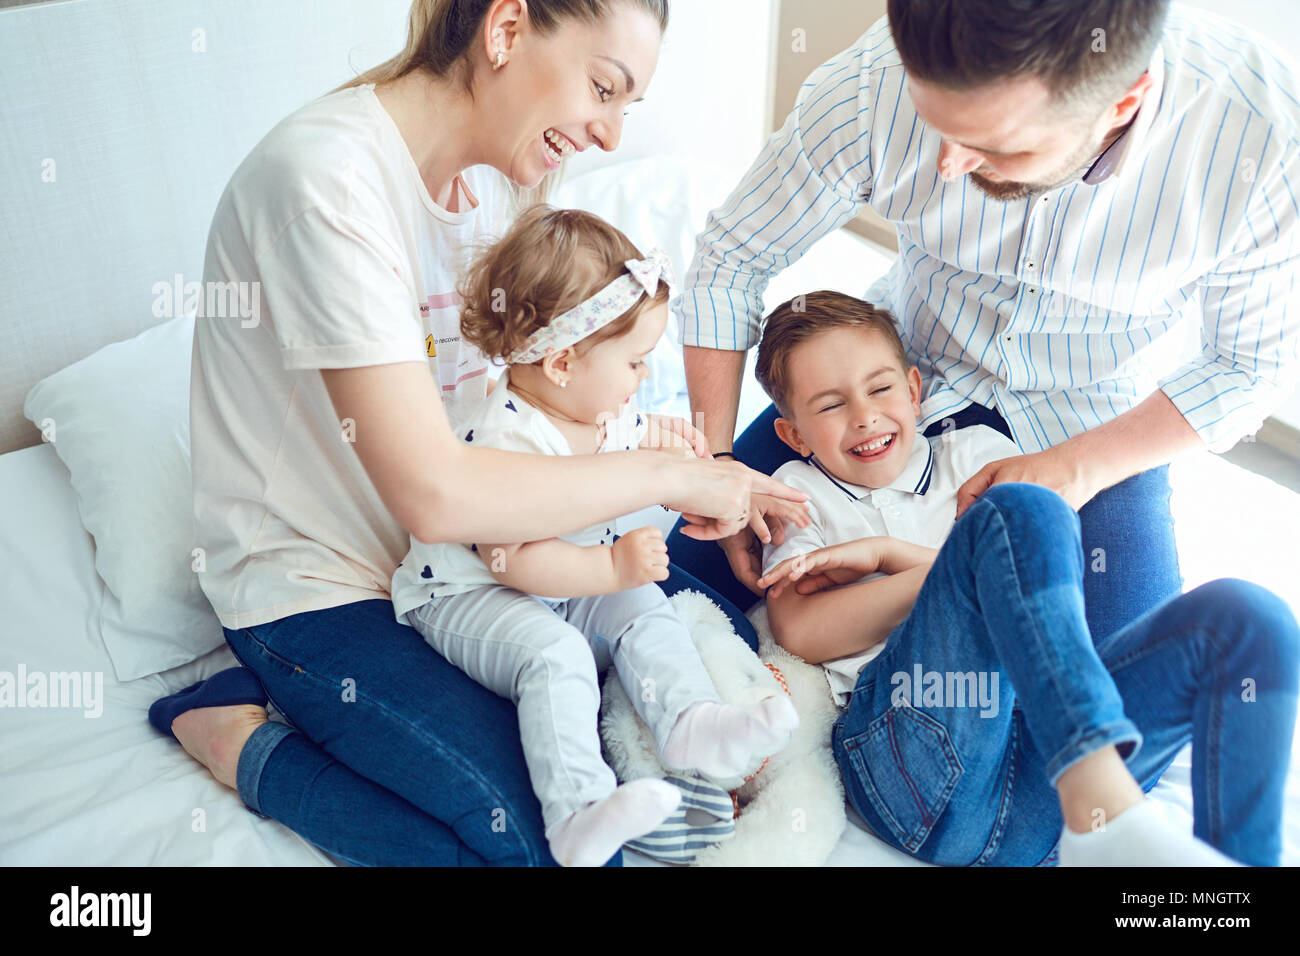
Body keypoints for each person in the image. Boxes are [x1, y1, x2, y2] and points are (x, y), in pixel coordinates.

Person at [148, 0, 808, 867]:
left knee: (670, 688)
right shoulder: (326, 183)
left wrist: (715, 472)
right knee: (533, 847)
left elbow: (553, 404)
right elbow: (436, 489)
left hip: (477, 563)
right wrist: (663, 477)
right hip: (323, 587)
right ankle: (239, 740)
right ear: (504, 29)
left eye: (627, 108)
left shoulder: (510, 183)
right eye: (603, 89)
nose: (609, 134)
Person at [666, 0, 1300, 649]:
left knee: (1111, 680)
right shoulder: (871, 85)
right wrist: (717, 465)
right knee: (670, 599)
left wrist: (1075, 469)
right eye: (934, 123)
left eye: (992, 145)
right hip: (906, 370)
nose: (946, 166)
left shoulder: (1262, 136)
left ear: (1122, 102)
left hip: (1096, 422)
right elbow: (732, 259)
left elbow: (1250, 368)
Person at [752, 290, 1299, 866]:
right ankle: (1098, 790)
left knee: (1247, 620)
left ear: (915, 391)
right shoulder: (795, 494)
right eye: (831, 405)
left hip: (1043, 795)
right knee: (1022, 516)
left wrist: (889, 555)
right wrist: (952, 568)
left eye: (880, 388)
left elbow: (1028, 583)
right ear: (793, 435)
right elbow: (801, 629)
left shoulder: (978, 455)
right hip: (919, 771)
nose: (864, 415)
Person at [394, 206, 799, 867]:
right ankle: (577, 811)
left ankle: (690, 724)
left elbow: (637, 434)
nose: (645, 377)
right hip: (467, 597)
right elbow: (514, 562)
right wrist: (611, 567)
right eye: (636, 362)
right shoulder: (511, 436)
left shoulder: (597, 403)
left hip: (567, 578)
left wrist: (676, 444)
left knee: (648, 606)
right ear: (561, 363)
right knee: (556, 655)